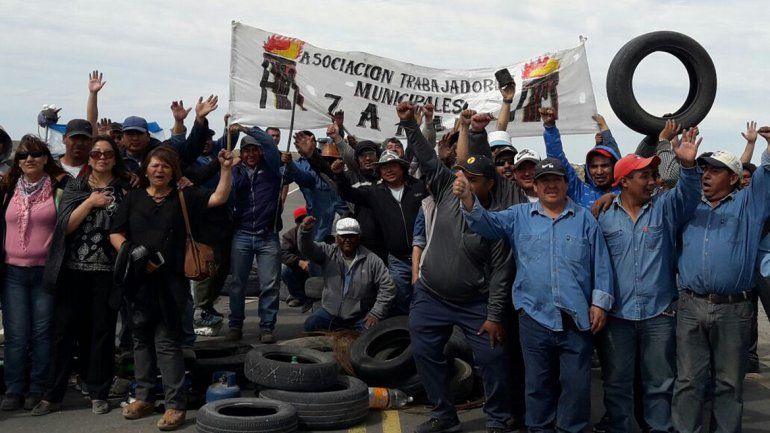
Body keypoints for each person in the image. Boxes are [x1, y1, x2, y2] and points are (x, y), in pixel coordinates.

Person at [456, 156, 614, 433]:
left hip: (576, 319)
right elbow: (484, 223)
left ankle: (570, 429)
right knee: (537, 386)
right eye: (544, 181)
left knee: (576, 387)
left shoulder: (585, 220)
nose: (550, 185)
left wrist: (599, 304)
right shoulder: (518, 216)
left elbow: (601, 265)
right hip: (533, 317)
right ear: (536, 187)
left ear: (566, 184)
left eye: (556, 180)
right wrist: (469, 198)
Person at [397, 101, 515, 433]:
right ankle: (443, 414)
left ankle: (498, 419)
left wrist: (493, 317)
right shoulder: (448, 190)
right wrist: (409, 123)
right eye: (462, 174)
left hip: (474, 303)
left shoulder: (496, 222)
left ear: (489, 185)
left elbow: (502, 274)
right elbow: (426, 156)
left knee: (493, 360)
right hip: (431, 296)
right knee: (423, 351)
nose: (463, 181)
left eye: (474, 179)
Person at [110, 145, 233, 430]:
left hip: (172, 281)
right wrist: (130, 253)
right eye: (154, 165)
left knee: (166, 343)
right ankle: (144, 398)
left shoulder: (184, 196)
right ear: (146, 169)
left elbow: (218, 197)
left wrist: (226, 169)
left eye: (165, 166)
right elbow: (115, 231)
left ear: (173, 170)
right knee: (140, 340)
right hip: (138, 281)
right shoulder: (134, 198)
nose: (159, 170)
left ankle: (175, 404)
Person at [595, 128, 702, 433]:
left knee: (659, 383)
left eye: (654, 175)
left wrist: (689, 166)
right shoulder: (602, 215)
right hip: (617, 316)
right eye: (645, 176)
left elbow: (689, 196)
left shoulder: (664, 208)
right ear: (624, 181)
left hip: (659, 314)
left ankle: (659, 428)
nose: (653, 181)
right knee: (617, 384)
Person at [672, 135, 770, 433]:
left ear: (734, 177)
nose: (707, 175)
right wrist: (687, 166)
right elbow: (682, 188)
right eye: (704, 169)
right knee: (688, 381)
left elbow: (766, 179)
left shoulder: (749, 206)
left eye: (715, 170)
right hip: (691, 305)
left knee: (728, 383)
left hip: (733, 310)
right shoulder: (690, 206)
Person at [34, 135, 132, 416]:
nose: (102, 157)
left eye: (108, 154)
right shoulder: (75, 186)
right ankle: (53, 394)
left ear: (115, 158)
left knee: (101, 333)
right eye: (97, 153)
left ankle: (98, 391)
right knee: (63, 333)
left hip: (107, 274)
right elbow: (64, 227)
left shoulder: (125, 189)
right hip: (72, 271)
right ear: (89, 158)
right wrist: (90, 202)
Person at [0, 135, 69, 411]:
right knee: (16, 334)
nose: (29, 159)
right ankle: (14, 388)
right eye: (23, 155)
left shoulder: (59, 189)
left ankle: (38, 387)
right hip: (12, 272)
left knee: (42, 334)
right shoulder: (7, 189)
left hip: (45, 273)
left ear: (45, 158)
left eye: (36, 154)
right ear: (17, 161)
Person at [331, 150, 428, 315]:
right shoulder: (374, 193)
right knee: (402, 299)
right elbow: (348, 193)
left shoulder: (419, 187)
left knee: (426, 297)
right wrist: (339, 176)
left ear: (402, 168)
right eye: (384, 168)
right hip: (397, 259)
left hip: (426, 256)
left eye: (393, 166)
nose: (388, 170)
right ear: (379, 172)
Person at [298, 217, 395, 331]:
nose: (347, 240)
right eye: (343, 236)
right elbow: (307, 249)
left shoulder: (372, 260)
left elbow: (388, 287)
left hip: (359, 317)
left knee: (372, 334)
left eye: (351, 236)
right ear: (336, 238)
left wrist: (376, 313)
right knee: (310, 325)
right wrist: (304, 232)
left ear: (358, 237)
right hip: (330, 314)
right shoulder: (328, 252)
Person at [542, 108, 621, 209]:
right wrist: (550, 128)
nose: (599, 171)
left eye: (605, 166)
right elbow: (557, 160)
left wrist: (605, 131)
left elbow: (618, 157)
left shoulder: (627, 193)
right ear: (588, 169)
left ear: (614, 167)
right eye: (594, 167)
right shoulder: (579, 191)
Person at [120, 95, 217, 174]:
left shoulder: (164, 151)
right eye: (130, 134)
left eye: (139, 133)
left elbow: (191, 148)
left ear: (148, 137)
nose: (135, 138)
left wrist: (200, 120)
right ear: (122, 138)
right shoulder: (114, 158)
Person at [281, 207, 313, 310]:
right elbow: (282, 253)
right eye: (300, 220)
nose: (303, 223)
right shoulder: (290, 235)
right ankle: (299, 296)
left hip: (318, 268)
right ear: (296, 222)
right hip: (300, 270)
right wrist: (299, 262)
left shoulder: (319, 231)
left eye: (305, 219)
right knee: (283, 269)